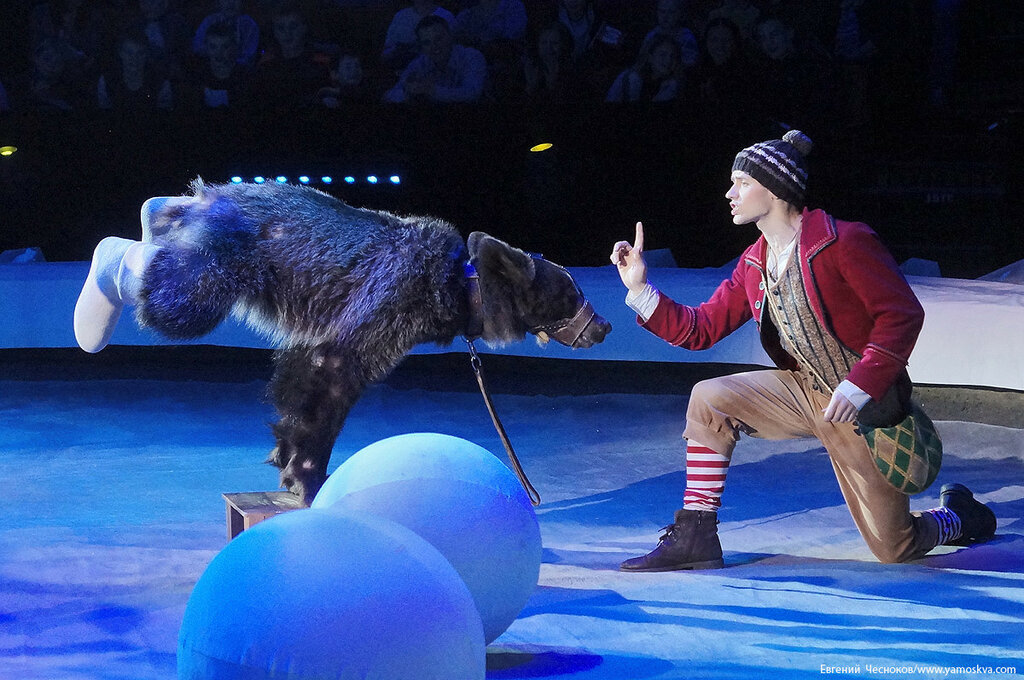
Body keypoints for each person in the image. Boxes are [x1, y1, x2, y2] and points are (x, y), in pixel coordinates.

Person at [609, 129, 997, 571]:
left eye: (741, 182)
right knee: (709, 398)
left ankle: (958, 516)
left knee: (895, 548)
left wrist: (860, 385)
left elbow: (902, 315)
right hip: (803, 391)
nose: (729, 192)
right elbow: (700, 329)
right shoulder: (754, 261)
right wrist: (641, 289)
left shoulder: (844, 241)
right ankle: (697, 532)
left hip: (863, 409)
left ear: (774, 190)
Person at [382, 14, 486, 104]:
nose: (434, 46)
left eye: (438, 39)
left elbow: (472, 93)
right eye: (427, 43)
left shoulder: (472, 57)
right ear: (421, 47)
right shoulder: (420, 63)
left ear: (450, 36)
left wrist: (431, 90)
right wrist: (408, 91)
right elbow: (389, 96)